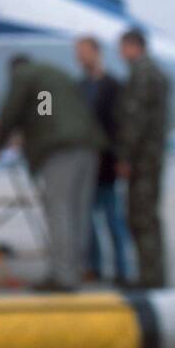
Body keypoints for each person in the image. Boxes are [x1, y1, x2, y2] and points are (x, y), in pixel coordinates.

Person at [0, 54, 106, 292]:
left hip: (60, 150)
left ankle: (62, 277)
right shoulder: (56, 74)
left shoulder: (23, 76)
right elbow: (48, 110)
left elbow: (11, 111)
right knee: (79, 213)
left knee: (59, 210)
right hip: (88, 147)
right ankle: (75, 271)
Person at [115, 28, 170, 289]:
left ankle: (149, 278)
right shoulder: (153, 72)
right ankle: (153, 275)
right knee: (148, 216)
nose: (121, 54)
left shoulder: (143, 74)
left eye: (123, 48)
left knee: (141, 216)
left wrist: (125, 157)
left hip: (142, 160)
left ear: (133, 46)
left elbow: (134, 121)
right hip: (150, 157)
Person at [74, 35, 128, 283]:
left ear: (97, 52)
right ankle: (94, 267)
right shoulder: (80, 86)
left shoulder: (113, 86)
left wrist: (122, 158)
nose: (80, 57)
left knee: (112, 217)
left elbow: (121, 126)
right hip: (86, 163)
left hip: (107, 161)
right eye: (78, 52)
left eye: (84, 51)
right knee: (87, 219)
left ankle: (122, 269)